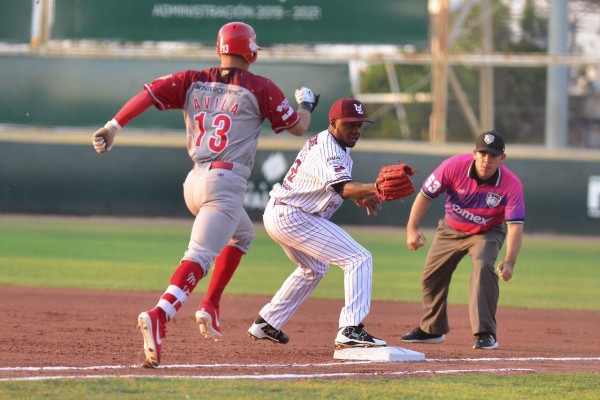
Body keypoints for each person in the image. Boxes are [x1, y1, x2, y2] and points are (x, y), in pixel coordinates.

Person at [92, 21, 319, 368]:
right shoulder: (261, 87)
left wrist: (113, 126)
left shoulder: (191, 79)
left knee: (242, 235)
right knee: (198, 256)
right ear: (251, 51)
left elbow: (147, 94)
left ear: (220, 49)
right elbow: (299, 127)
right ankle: (160, 315)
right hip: (224, 185)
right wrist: (306, 103)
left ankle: (210, 304)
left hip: (195, 183)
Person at [247, 98, 411, 349]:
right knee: (358, 258)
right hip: (294, 216)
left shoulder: (338, 146)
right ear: (333, 123)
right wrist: (374, 188)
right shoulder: (328, 147)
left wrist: (361, 197)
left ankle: (267, 321)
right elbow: (342, 187)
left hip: (284, 214)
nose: (356, 130)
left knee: (314, 268)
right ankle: (350, 329)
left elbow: (337, 188)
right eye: (350, 124)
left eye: (360, 125)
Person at [400, 131, 525, 350]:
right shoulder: (453, 166)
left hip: (487, 232)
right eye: (483, 154)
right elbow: (425, 195)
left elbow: (515, 226)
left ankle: (485, 333)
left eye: (493, 156)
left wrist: (510, 261)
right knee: (431, 276)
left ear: (502, 158)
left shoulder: (511, 184)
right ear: (475, 153)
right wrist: (412, 228)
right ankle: (432, 330)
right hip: (450, 229)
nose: (487, 160)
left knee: (483, 267)